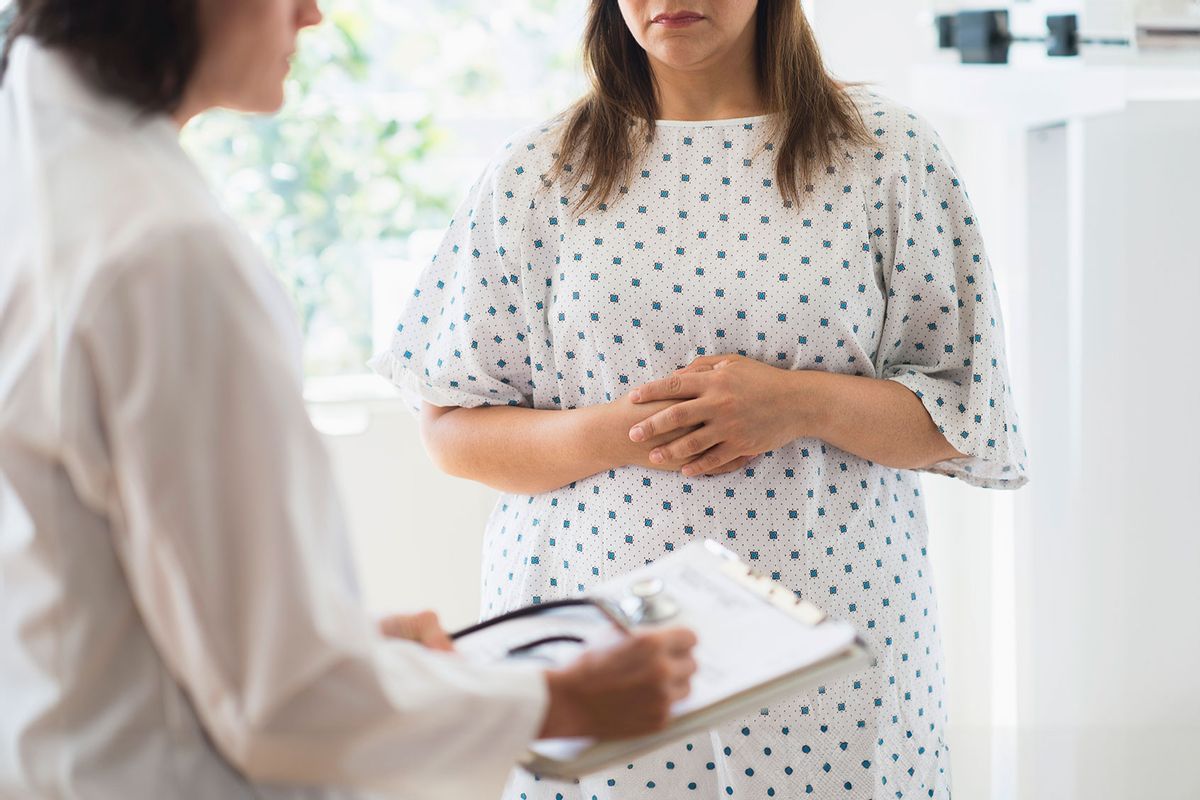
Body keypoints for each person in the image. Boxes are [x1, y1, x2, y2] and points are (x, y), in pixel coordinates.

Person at [0, 1, 700, 798]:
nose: (313, 15)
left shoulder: (42, 178)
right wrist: (560, 700)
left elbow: (95, 574)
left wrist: (340, 646)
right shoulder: (164, 254)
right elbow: (288, 705)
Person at [370, 0, 1029, 797]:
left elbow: (966, 418)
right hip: (603, 657)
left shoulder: (887, 154)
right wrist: (621, 433)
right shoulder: (536, 171)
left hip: (834, 657)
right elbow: (451, 429)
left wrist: (799, 404)